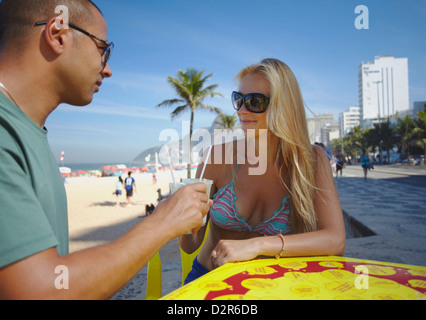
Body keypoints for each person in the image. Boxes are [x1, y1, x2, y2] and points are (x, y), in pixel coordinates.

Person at [0, 0, 211, 299]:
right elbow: (42, 289)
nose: (108, 69)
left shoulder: (24, 130)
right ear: (58, 34)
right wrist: (163, 221)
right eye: (103, 49)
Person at [179, 58, 345, 284]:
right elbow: (190, 246)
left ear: (283, 106)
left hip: (274, 284)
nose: (242, 110)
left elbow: (336, 240)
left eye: (255, 101)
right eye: (238, 100)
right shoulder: (216, 157)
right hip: (209, 278)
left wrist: (259, 245)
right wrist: (183, 215)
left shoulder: (310, 161)